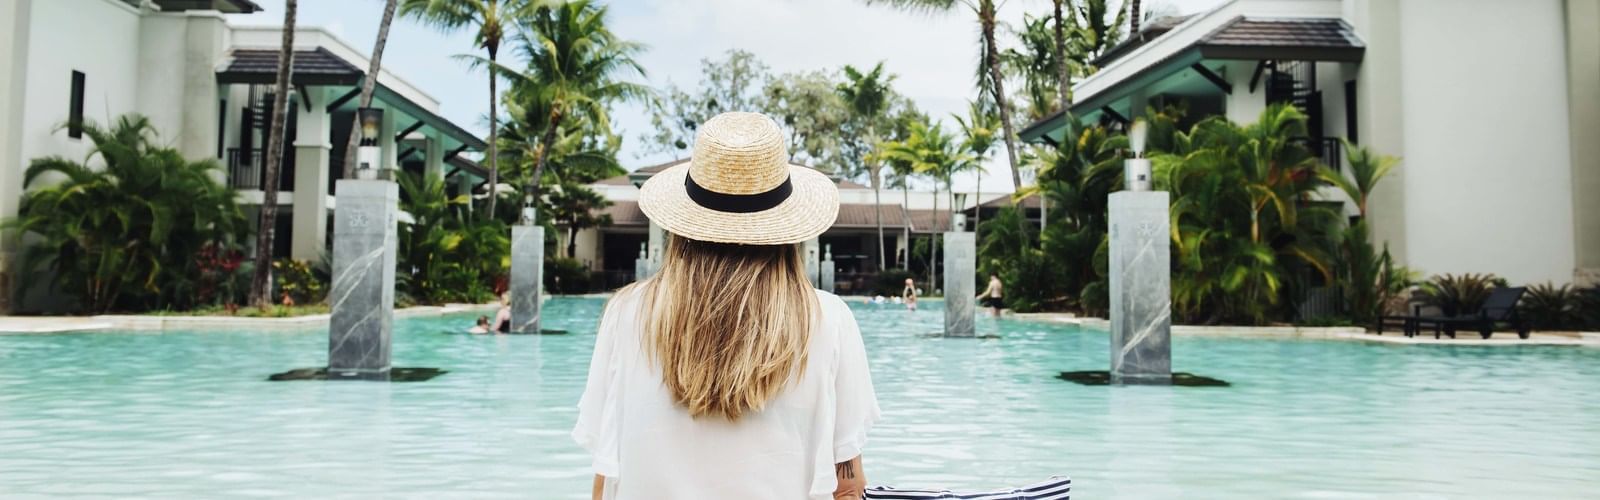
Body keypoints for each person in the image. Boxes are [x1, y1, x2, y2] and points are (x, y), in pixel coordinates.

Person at [574, 112, 878, 500]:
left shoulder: (628, 313)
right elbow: (847, 485)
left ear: (682, 227)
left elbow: (607, 469)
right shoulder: (828, 320)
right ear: (787, 234)